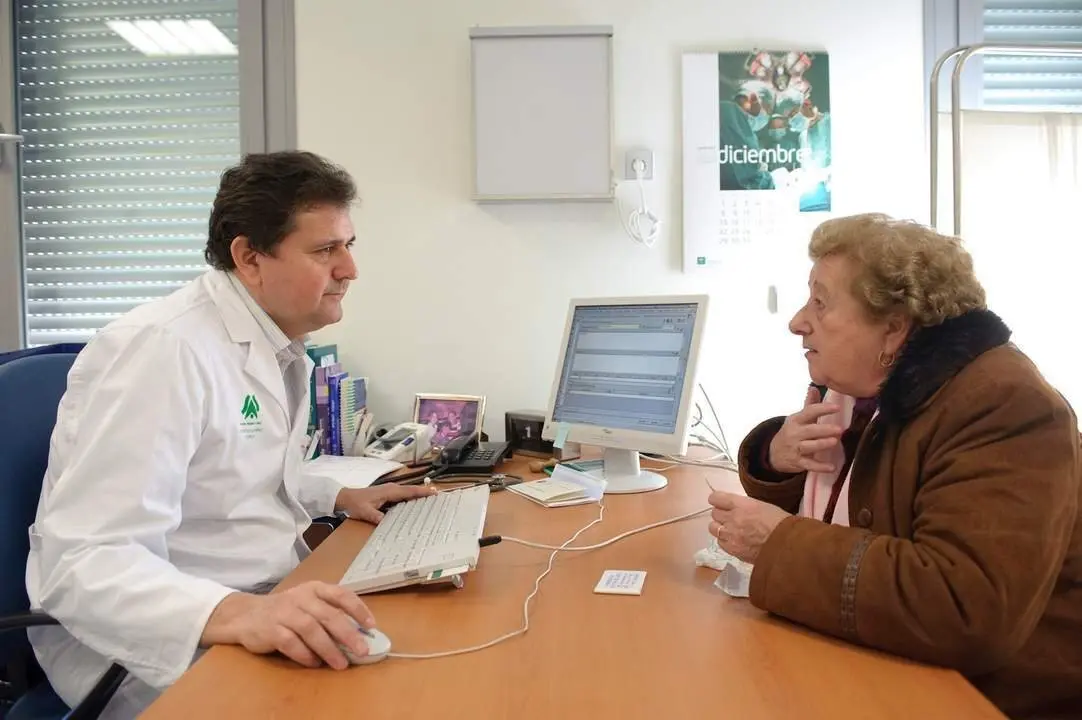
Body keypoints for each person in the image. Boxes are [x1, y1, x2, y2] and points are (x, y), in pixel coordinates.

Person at [26, 151, 434, 718]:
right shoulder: (162, 350)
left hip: (254, 603)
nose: (349, 269)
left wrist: (337, 495)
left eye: (348, 245)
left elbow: (229, 470)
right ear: (249, 257)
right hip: (149, 642)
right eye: (325, 250)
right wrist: (241, 613)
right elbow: (83, 562)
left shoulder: (274, 344)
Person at [707, 213, 1082, 719]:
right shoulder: (861, 394)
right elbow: (858, 505)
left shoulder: (1007, 405)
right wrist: (776, 457)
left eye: (820, 303)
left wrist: (778, 544)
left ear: (893, 328)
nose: (797, 321)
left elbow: (964, 607)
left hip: (986, 698)